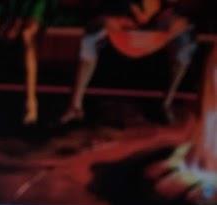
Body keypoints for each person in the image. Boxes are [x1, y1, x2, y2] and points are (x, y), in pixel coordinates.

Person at [60, 0, 197, 125]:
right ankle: (75, 106)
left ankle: (167, 103)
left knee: (184, 38)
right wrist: (123, 15)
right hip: (119, 22)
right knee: (93, 34)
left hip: (155, 28)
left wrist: (166, 24)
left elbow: (173, 12)